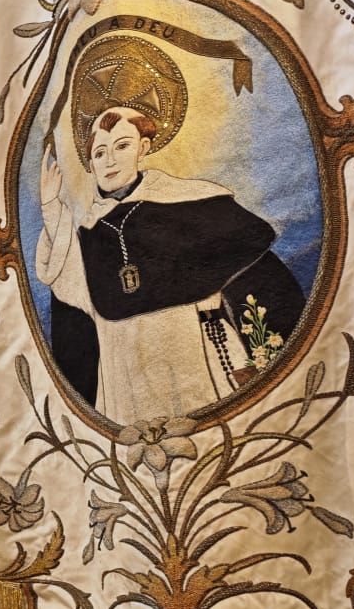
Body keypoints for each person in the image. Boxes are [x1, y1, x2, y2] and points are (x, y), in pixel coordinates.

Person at [35, 33, 306, 424]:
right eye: (99, 152)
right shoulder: (88, 229)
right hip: (125, 377)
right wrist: (50, 207)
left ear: (145, 148)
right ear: (89, 163)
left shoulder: (194, 200)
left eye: (123, 146)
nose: (110, 161)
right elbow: (68, 285)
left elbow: (261, 282)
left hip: (201, 359)